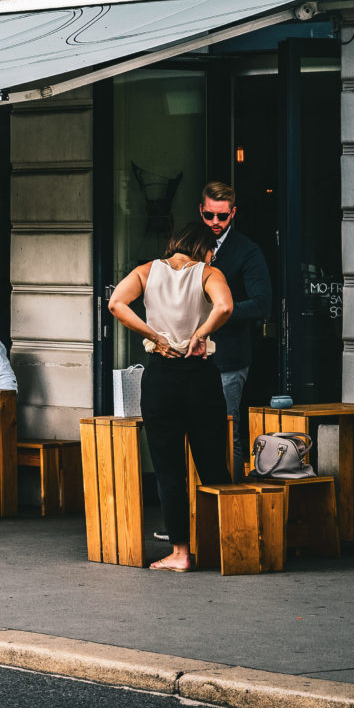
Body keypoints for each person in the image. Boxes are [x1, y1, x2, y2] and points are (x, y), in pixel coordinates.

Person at [106, 222, 236, 572]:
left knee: (169, 470)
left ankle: (180, 553)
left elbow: (116, 303)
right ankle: (223, 546)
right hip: (201, 375)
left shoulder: (146, 271)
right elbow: (224, 307)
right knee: (212, 464)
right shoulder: (208, 273)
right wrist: (201, 334)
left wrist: (154, 334)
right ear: (204, 248)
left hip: (161, 376)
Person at [198, 181, 272, 476]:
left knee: (227, 427)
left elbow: (261, 304)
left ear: (233, 213)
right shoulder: (191, 244)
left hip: (228, 355)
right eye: (209, 216)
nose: (215, 222)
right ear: (200, 210)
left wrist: (220, 311)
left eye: (222, 216)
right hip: (192, 354)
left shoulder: (247, 251)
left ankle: (232, 504)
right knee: (196, 427)